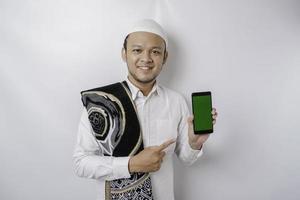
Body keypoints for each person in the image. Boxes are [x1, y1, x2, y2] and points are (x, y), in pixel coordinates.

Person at [73, 19, 218, 200]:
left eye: (155, 52)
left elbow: (187, 159)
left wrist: (195, 142)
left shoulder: (175, 101)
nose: (146, 58)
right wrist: (131, 164)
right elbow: (81, 163)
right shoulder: (99, 102)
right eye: (137, 50)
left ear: (165, 57)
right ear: (124, 54)